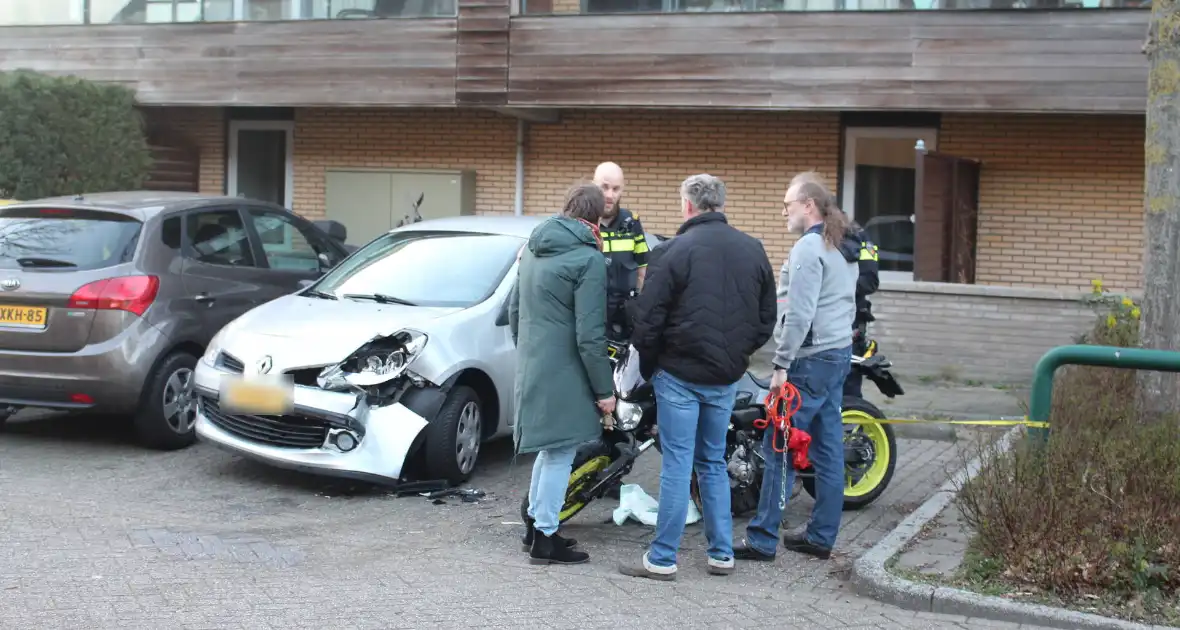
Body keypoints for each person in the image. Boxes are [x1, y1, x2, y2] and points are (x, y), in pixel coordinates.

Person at [617, 174, 778, 581]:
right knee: (711, 462)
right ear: (721, 204)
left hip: (680, 374)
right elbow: (765, 320)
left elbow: (648, 322)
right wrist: (737, 355)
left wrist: (652, 367)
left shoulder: (672, 251)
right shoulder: (753, 250)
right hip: (724, 377)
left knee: (677, 463)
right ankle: (721, 553)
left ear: (688, 206)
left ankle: (663, 557)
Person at [734, 172, 858, 562]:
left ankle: (763, 539)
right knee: (827, 449)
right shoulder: (838, 246)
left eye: (788, 204)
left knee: (778, 447)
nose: (784, 211)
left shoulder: (808, 249)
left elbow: (799, 315)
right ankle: (821, 536)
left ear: (808, 205)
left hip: (808, 363)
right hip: (836, 357)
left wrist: (781, 365)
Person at [509, 183, 617, 566]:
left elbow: (514, 311)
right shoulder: (587, 259)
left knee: (549, 449)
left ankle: (536, 527)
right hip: (566, 368)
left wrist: (531, 351)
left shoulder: (533, 248)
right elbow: (590, 335)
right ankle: (546, 538)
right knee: (561, 453)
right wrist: (605, 391)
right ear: (595, 218)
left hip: (534, 362)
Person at [593, 162, 650, 342]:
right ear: (593, 185)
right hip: (590, 318)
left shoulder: (631, 223)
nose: (610, 195)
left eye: (616, 189)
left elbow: (644, 270)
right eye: (604, 187)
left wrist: (640, 308)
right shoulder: (581, 221)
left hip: (623, 321)